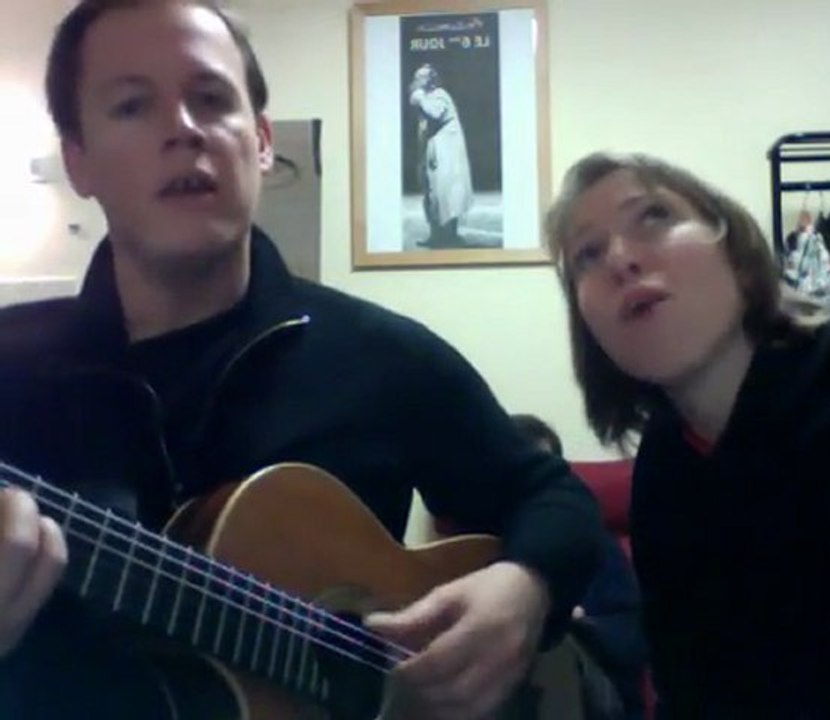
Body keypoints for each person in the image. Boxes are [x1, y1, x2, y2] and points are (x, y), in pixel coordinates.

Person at [0, 2, 603, 718]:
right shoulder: (13, 367)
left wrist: (523, 590)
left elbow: (553, 500)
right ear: (78, 160)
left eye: (212, 98)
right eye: (132, 106)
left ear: (258, 140)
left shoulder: (380, 356)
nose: (184, 129)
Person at [545, 151, 830, 718]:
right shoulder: (665, 483)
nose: (620, 259)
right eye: (587, 253)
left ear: (736, 253)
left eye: (653, 217)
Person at [511, 414, 647, 720]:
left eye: (540, 471)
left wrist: (580, 626)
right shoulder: (473, 545)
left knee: (554, 648)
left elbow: (633, 636)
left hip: (591, 688)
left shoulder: (592, 542)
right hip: (499, 687)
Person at [408, 63, 473, 248]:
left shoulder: (439, 95)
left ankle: (450, 236)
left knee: (447, 193)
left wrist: (420, 99)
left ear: (431, 80)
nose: (417, 81)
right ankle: (435, 236)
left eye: (421, 77)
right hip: (433, 152)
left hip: (447, 154)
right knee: (431, 194)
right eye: (416, 77)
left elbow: (435, 113)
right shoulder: (426, 97)